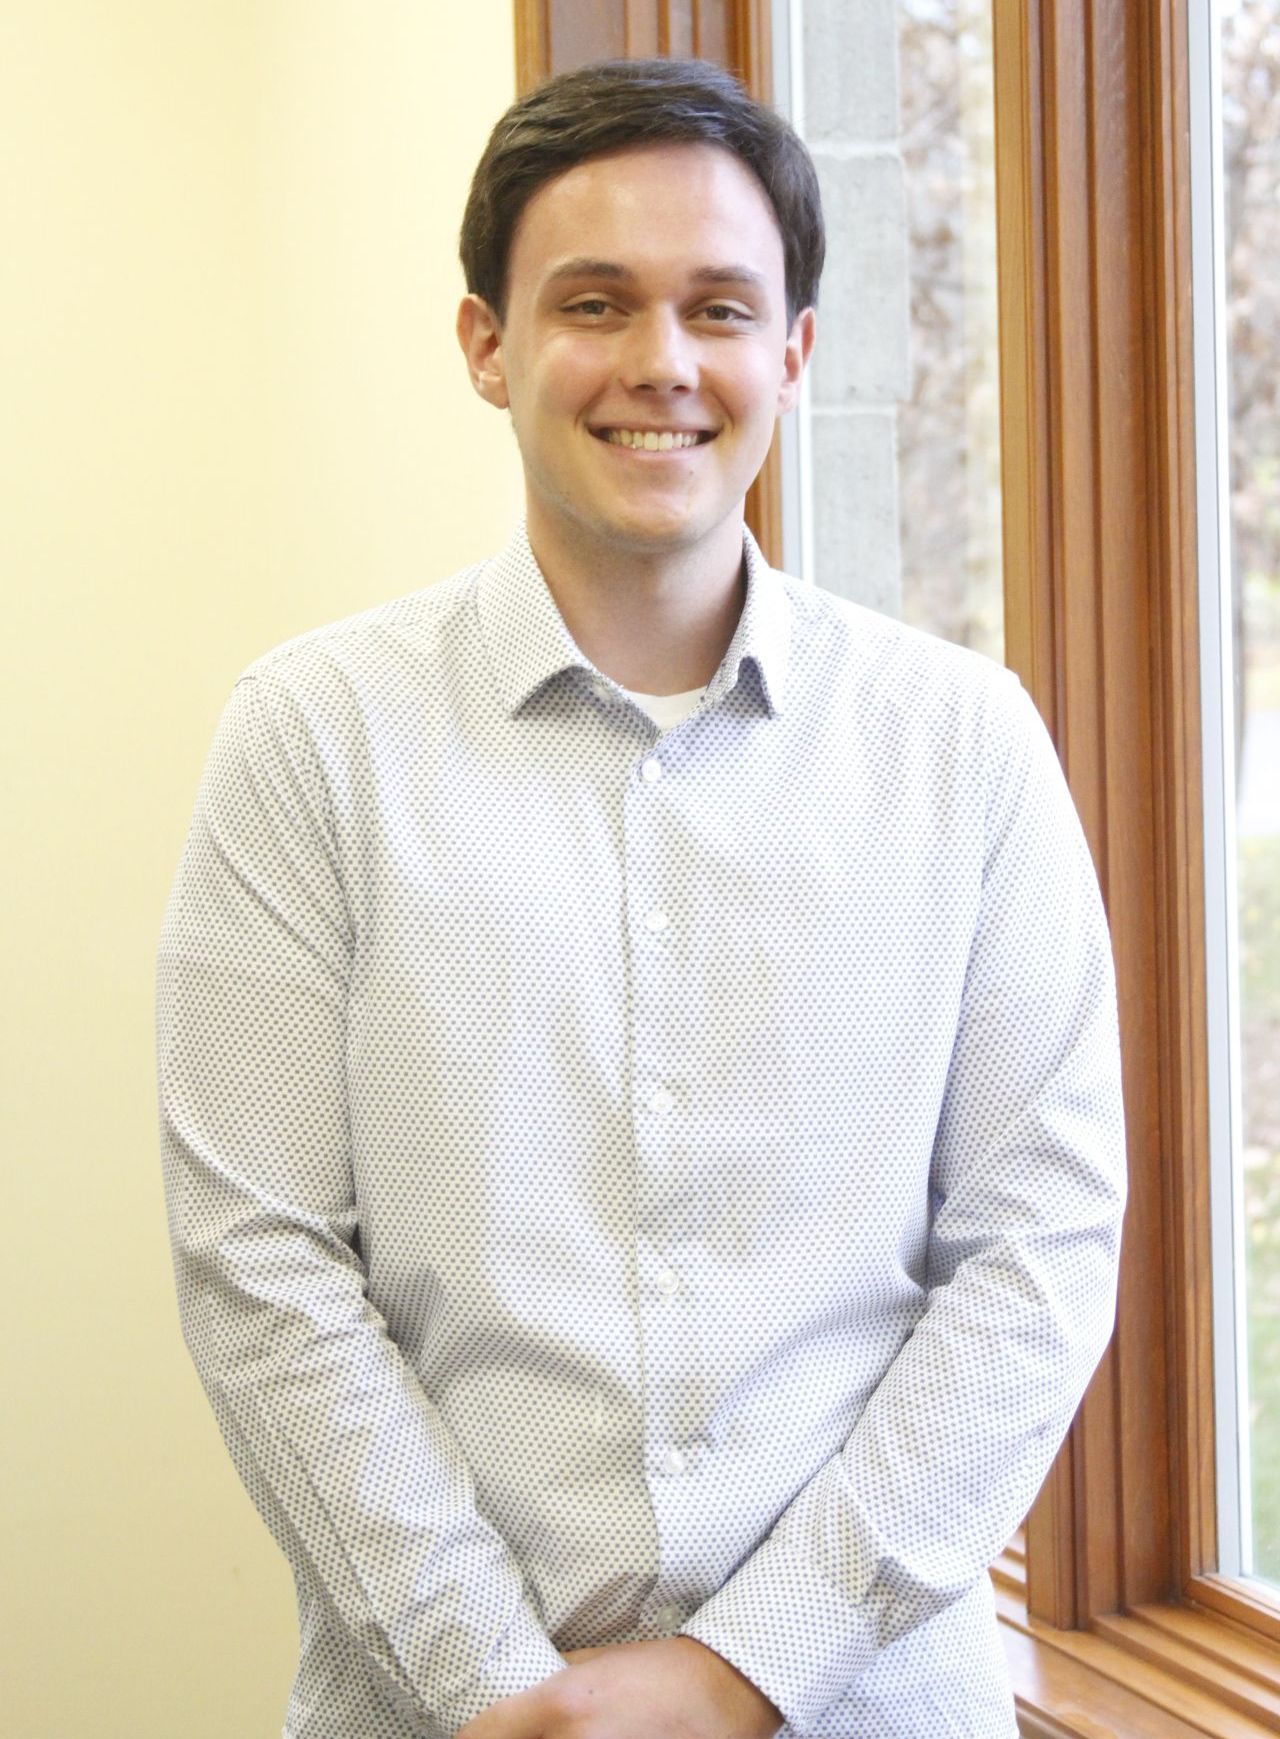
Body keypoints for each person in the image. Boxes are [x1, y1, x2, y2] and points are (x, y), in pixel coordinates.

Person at [156, 56, 1126, 1739]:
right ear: (489, 345)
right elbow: (263, 1263)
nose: (661, 365)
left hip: (881, 1703)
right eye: (594, 303)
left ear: (796, 356)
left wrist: (748, 1666)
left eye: (720, 309)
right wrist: (495, 1683)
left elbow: (1038, 1256)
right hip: (432, 1711)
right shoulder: (308, 741)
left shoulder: (966, 745)